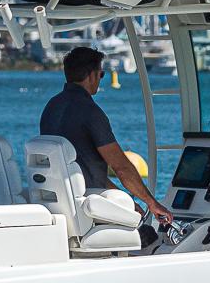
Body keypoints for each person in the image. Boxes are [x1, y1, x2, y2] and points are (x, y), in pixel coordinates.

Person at [40, 46, 173, 226]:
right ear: (92, 75)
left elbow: (88, 172)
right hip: (88, 207)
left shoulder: (51, 108)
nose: (100, 80)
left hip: (58, 204)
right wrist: (153, 203)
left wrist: (130, 203)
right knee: (147, 234)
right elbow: (121, 167)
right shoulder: (90, 112)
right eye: (101, 75)